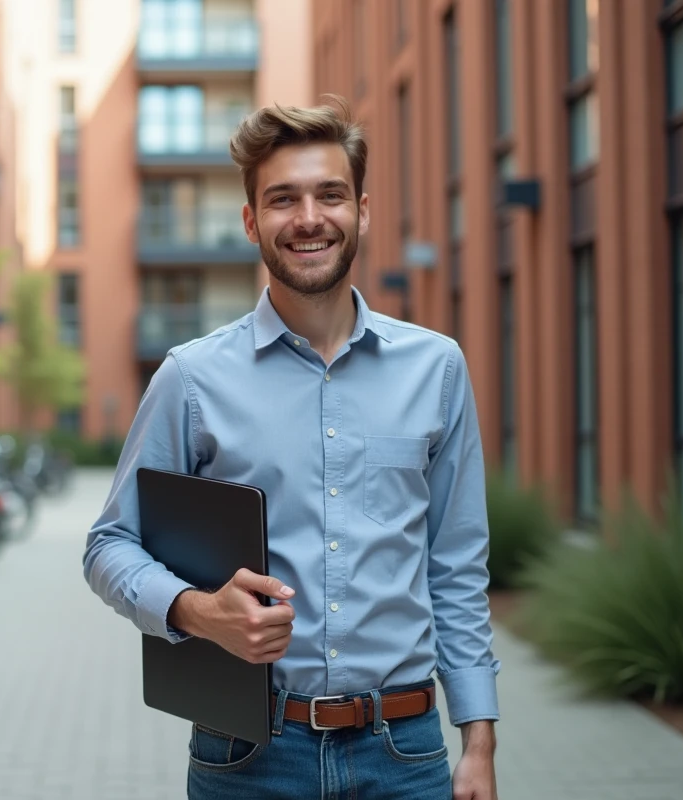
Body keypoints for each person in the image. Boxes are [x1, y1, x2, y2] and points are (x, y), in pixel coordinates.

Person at [82, 94, 500, 800]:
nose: (309, 218)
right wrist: (197, 610)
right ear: (252, 221)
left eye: (329, 195)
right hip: (248, 757)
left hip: (405, 755)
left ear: (361, 211)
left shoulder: (438, 368)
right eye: (283, 199)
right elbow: (109, 545)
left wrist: (479, 741)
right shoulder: (191, 378)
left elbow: (456, 565)